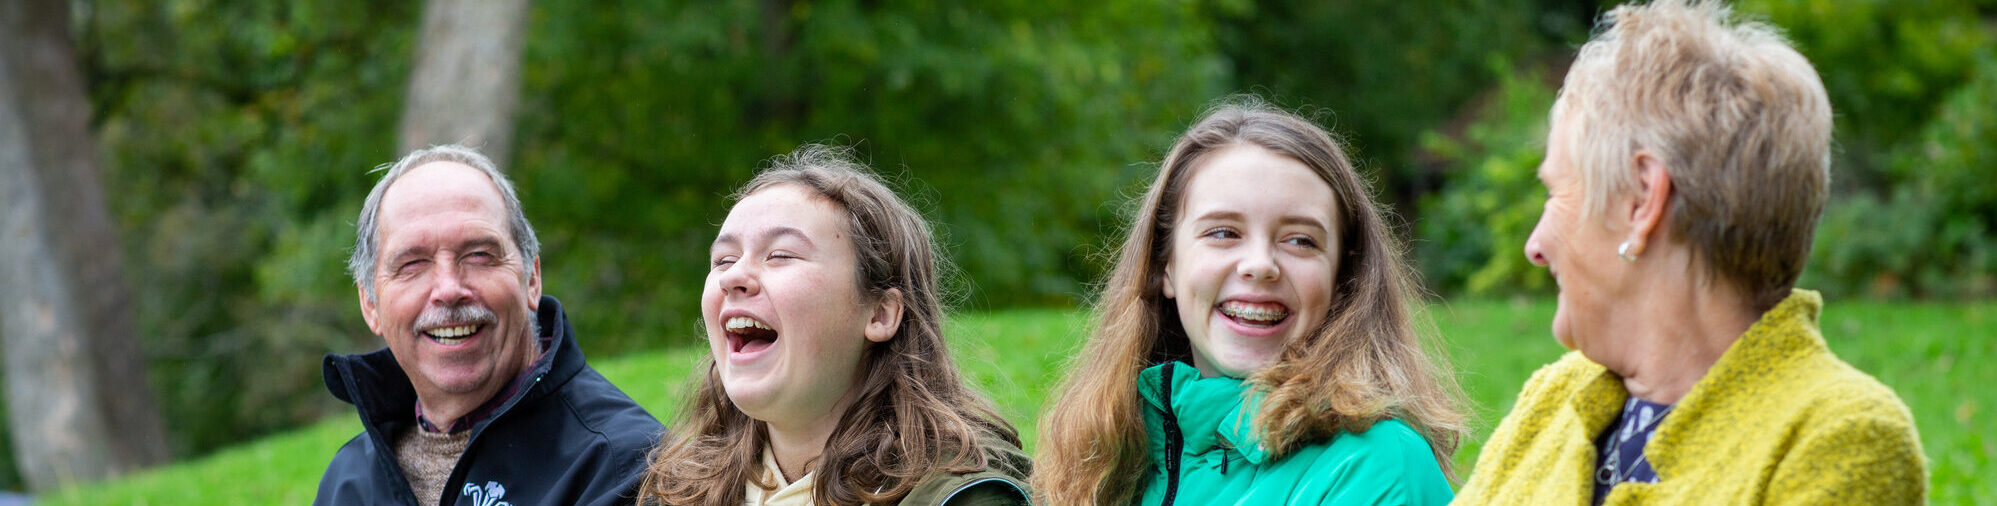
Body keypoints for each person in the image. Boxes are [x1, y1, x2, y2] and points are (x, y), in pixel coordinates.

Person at [1452, 1, 1927, 504]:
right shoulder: (1553, 400)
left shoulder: (1839, 438)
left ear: (1642, 198)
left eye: (1557, 192)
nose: (1535, 246)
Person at [1033, 99, 1467, 505]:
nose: (1260, 265)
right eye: (1223, 232)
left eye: (1300, 240)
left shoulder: (1378, 463)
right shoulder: (1109, 460)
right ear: (1164, 265)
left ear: (1342, 279)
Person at [637, 145, 1030, 506]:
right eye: (723, 260)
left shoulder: (962, 496)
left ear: (880, 314)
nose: (733, 276)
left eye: (779, 255)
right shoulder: (680, 489)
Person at [316, 145, 664, 506]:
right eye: (413, 264)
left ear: (531, 278)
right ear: (370, 304)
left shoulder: (627, 466)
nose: (448, 289)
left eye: (479, 255)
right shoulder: (348, 482)